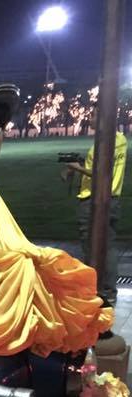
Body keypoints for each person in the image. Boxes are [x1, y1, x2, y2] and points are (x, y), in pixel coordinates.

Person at [63, 119, 127, 306]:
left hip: (94, 200)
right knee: (109, 245)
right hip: (113, 198)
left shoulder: (106, 142)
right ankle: (108, 290)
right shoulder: (120, 139)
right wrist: (83, 163)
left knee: (91, 245)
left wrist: (76, 167)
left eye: (93, 114)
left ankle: (97, 290)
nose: (89, 118)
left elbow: (100, 172)